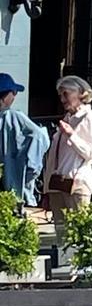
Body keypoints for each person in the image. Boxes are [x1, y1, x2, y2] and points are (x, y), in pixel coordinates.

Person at [41, 75, 92, 236]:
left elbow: (90, 153)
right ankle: (63, 262)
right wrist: (47, 189)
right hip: (58, 184)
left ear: (80, 93)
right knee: (62, 235)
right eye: (60, 95)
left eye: (65, 94)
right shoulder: (68, 118)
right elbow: (53, 157)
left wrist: (71, 135)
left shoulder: (89, 118)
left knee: (79, 234)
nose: (62, 99)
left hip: (77, 184)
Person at [0, 72, 50, 210]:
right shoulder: (15, 117)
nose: (15, 96)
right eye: (14, 92)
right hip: (15, 179)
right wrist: (32, 167)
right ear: (6, 96)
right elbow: (39, 137)